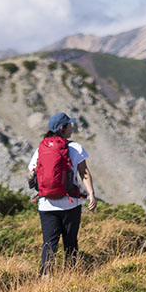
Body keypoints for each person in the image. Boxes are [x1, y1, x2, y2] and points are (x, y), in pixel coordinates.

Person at [28, 112, 97, 275]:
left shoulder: (41, 149)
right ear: (62, 128)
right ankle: (72, 276)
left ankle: (45, 278)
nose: (72, 127)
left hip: (46, 205)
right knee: (70, 243)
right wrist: (91, 194)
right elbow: (83, 172)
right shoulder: (75, 147)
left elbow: (32, 173)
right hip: (70, 204)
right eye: (69, 125)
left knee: (49, 244)